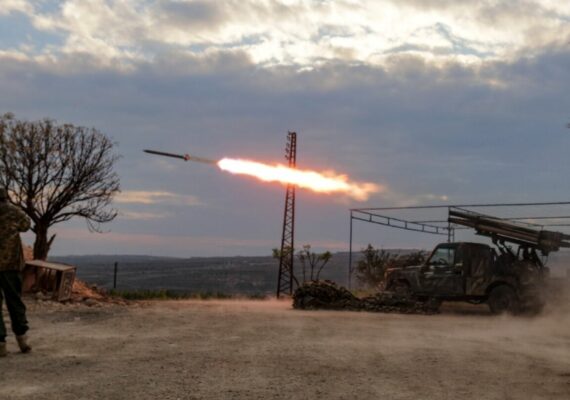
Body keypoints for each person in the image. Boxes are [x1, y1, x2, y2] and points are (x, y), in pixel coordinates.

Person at [0, 187, 32, 357]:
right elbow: (26, 225)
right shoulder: (14, 211)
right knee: (14, 301)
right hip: (11, 264)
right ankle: (22, 339)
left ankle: (0, 344)